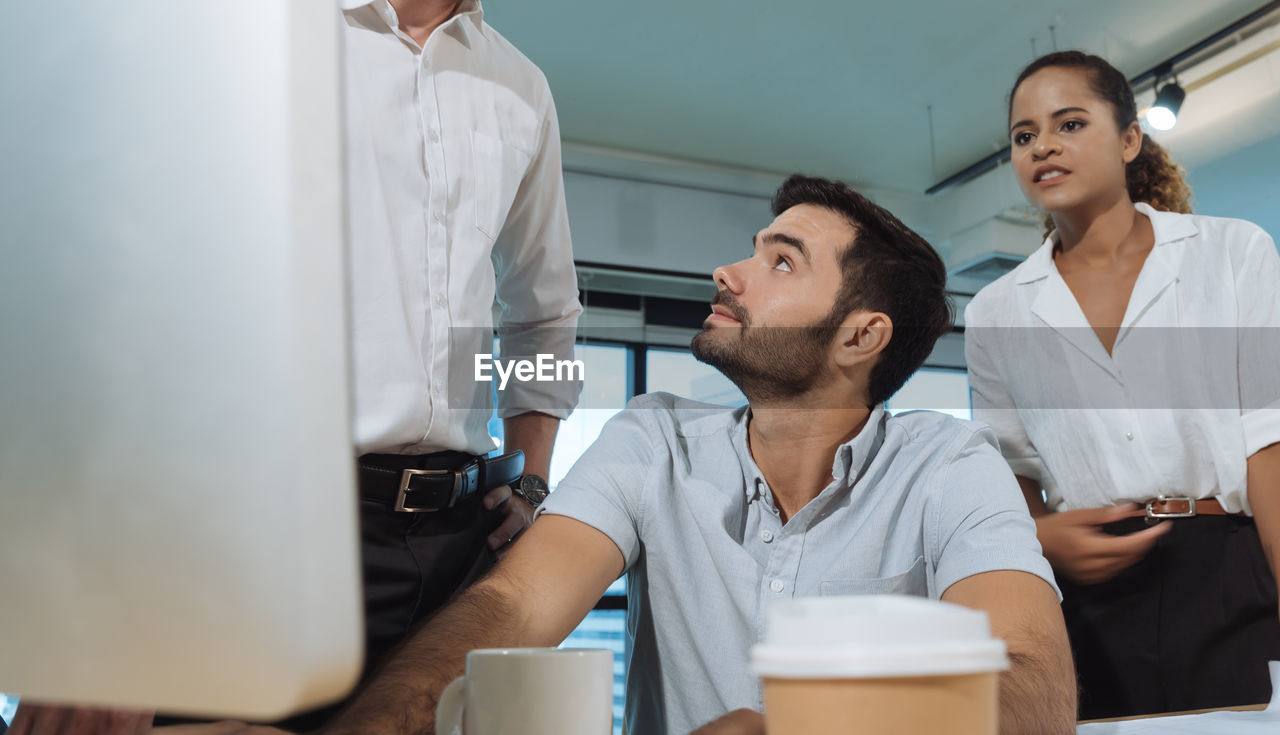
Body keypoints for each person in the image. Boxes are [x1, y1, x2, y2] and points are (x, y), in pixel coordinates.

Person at [147, 174, 1076, 735]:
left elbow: (1034, 687)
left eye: (782, 261)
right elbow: (509, 605)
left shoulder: (950, 466)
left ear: (860, 336)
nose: (731, 271)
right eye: (752, 249)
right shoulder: (649, 439)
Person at [8, 1, 580, 733]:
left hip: (456, 548)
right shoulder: (252, 34)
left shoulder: (521, 86)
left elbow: (549, 314)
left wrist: (533, 477)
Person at [965, 50, 1280, 720]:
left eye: (1070, 123)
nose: (1043, 144)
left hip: (1230, 568)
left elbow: (1269, 448)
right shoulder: (997, 310)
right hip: (1090, 593)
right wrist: (1042, 537)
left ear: (1131, 138)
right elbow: (1009, 476)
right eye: (1025, 136)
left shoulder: (1233, 252)